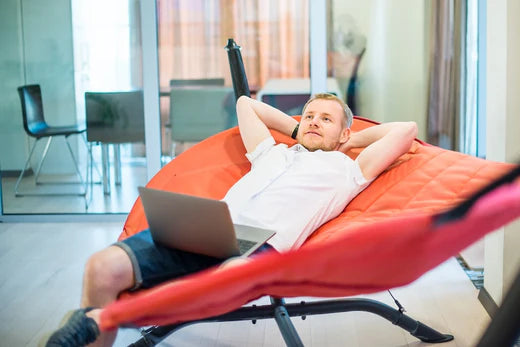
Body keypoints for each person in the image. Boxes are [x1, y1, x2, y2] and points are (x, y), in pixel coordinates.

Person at [43, 93, 417, 346]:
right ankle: (100, 320)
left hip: (261, 247)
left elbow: (406, 132)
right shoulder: (271, 152)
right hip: (206, 228)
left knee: (224, 279)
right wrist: (299, 131)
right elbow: (244, 103)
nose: (314, 122)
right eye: (308, 116)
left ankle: (98, 320)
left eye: (326, 119)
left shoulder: (347, 169)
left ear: (346, 132)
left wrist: (346, 143)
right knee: (101, 267)